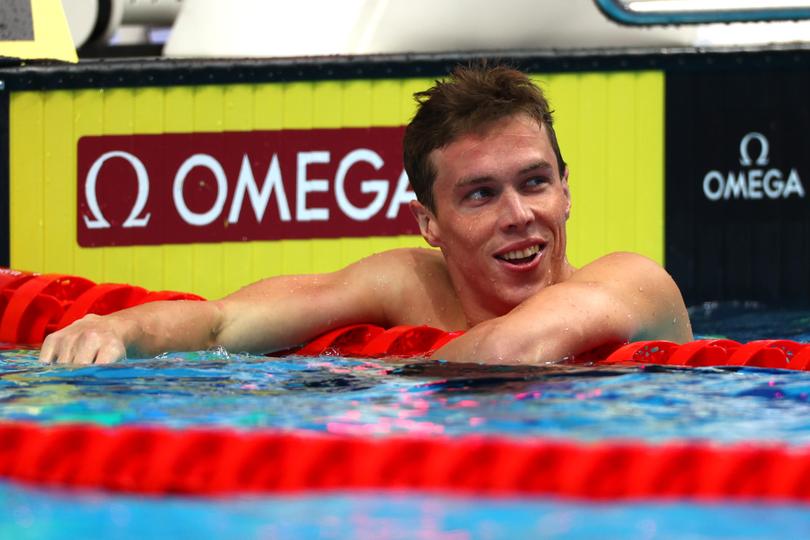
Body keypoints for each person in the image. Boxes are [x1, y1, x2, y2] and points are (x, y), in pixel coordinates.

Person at [40, 64, 692, 365]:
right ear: (428, 223)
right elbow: (221, 324)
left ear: (567, 191)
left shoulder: (630, 283)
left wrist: (367, 376)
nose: (519, 214)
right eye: (480, 194)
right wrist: (117, 328)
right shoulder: (406, 283)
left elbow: (513, 351)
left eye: (535, 183)